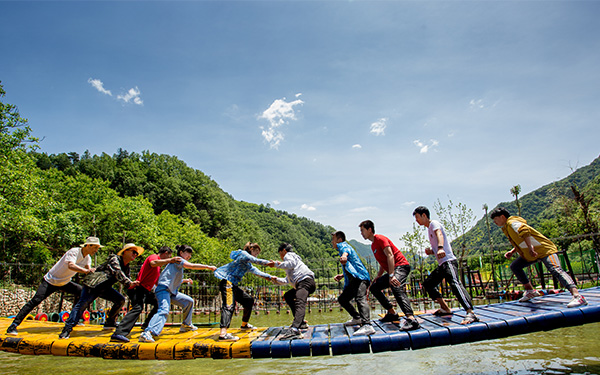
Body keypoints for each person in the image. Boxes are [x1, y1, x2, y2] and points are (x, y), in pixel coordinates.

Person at [490, 207, 588, 308]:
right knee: (515, 266)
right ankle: (530, 291)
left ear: (502, 217)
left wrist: (530, 247)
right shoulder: (507, 227)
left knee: (555, 269)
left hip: (545, 250)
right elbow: (520, 240)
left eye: (495, 219)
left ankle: (578, 296)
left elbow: (524, 231)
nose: (494, 222)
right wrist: (512, 251)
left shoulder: (512, 223)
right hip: (531, 254)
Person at [6, 237, 102, 336]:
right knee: (35, 301)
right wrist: (86, 271)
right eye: (95, 247)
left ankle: (73, 320)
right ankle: (13, 325)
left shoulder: (88, 259)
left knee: (81, 292)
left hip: (64, 282)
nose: (96, 250)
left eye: (97, 248)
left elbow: (88, 272)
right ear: (88, 245)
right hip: (50, 281)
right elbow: (71, 265)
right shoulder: (74, 252)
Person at [59, 243, 143, 339]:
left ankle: (110, 322)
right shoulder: (114, 258)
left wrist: (134, 287)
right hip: (93, 285)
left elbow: (127, 280)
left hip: (104, 287)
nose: (135, 255)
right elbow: (117, 272)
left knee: (120, 300)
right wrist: (129, 283)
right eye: (133, 252)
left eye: (136, 253)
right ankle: (66, 330)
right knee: (82, 304)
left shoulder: (127, 266)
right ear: (125, 252)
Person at [413, 206, 479, 324]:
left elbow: (440, 234)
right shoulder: (428, 229)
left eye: (417, 217)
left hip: (448, 261)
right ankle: (445, 308)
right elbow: (438, 246)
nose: (416, 220)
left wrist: (439, 248)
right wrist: (432, 252)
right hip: (442, 264)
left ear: (424, 215)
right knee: (428, 284)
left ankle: (470, 312)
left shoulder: (434, 224)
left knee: (455, 283)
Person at [139, 245, 217, 343]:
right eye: (187, 253)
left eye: (190, 254)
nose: (189, 255)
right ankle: (148, 333)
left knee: (189, 301)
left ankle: (186, 325)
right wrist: (208, 267)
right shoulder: (178, 260)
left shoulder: (177, 265)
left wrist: (185, 280)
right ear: (181, 253)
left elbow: (173, 279)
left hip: (171, 292)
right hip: (163, 290)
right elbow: (191, 266)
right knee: (164, 310)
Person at [110, 246, 182, 343]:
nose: (170, 258)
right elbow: (152, 263)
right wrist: (170, 260)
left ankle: (146, 325)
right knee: (137, 308)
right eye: (169, 256)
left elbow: (158, 281)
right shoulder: (154, 257)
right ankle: (119, 333)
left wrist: (181, 281)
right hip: (138, 288)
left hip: (146, 290)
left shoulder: (158, 266)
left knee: (158, 303)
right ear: (165, 253)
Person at [358, 220, 420, 331]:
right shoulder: (373, 246)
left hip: (401, 266)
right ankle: (392, 313)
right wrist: (378, 276)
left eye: (362, 230)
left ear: (369, 230)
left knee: (395, 286)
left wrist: (391, 275)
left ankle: (411, 319)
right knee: (374, 287)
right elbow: (383, 262)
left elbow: (390, 255)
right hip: (393, 270)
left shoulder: (380, 239)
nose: (361, 233)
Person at [213, 242, 277, 342]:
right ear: (251, 249)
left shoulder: (247, 264)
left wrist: (269, 277)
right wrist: (269, 263)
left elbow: (257, 271)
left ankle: (244, 325)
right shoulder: (243, 254)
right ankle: (223, 334)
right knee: (229, 306)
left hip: (233, 285)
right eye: (256, 252)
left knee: (248, 301)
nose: (256, 255)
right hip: (227, 283)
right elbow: (255, 260)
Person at [269, 243, 316, 340]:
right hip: (303, 282)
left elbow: (291, 263)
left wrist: (276, 264)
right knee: (288, 296)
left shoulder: (289, 256)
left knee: (300, 303)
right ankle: (301, 323)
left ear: (284, 251)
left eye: (280, 254)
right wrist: (275, 279)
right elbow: (287, 281)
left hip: (304, 281)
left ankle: (295, 330)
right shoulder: (292, 266)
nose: (281, 257)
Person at [332, 231, 375, 336]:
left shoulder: (343, 246)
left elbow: (346, 251)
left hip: (361, 278)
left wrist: (344, 256)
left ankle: (367, 325)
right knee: (343, 299)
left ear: (339, 240)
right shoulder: (343, 248)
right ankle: (357, 318)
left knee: (360, 298)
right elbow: (351, 266)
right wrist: (342, 275)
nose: (332, 242)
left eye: (333, 239)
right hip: (354, 280)